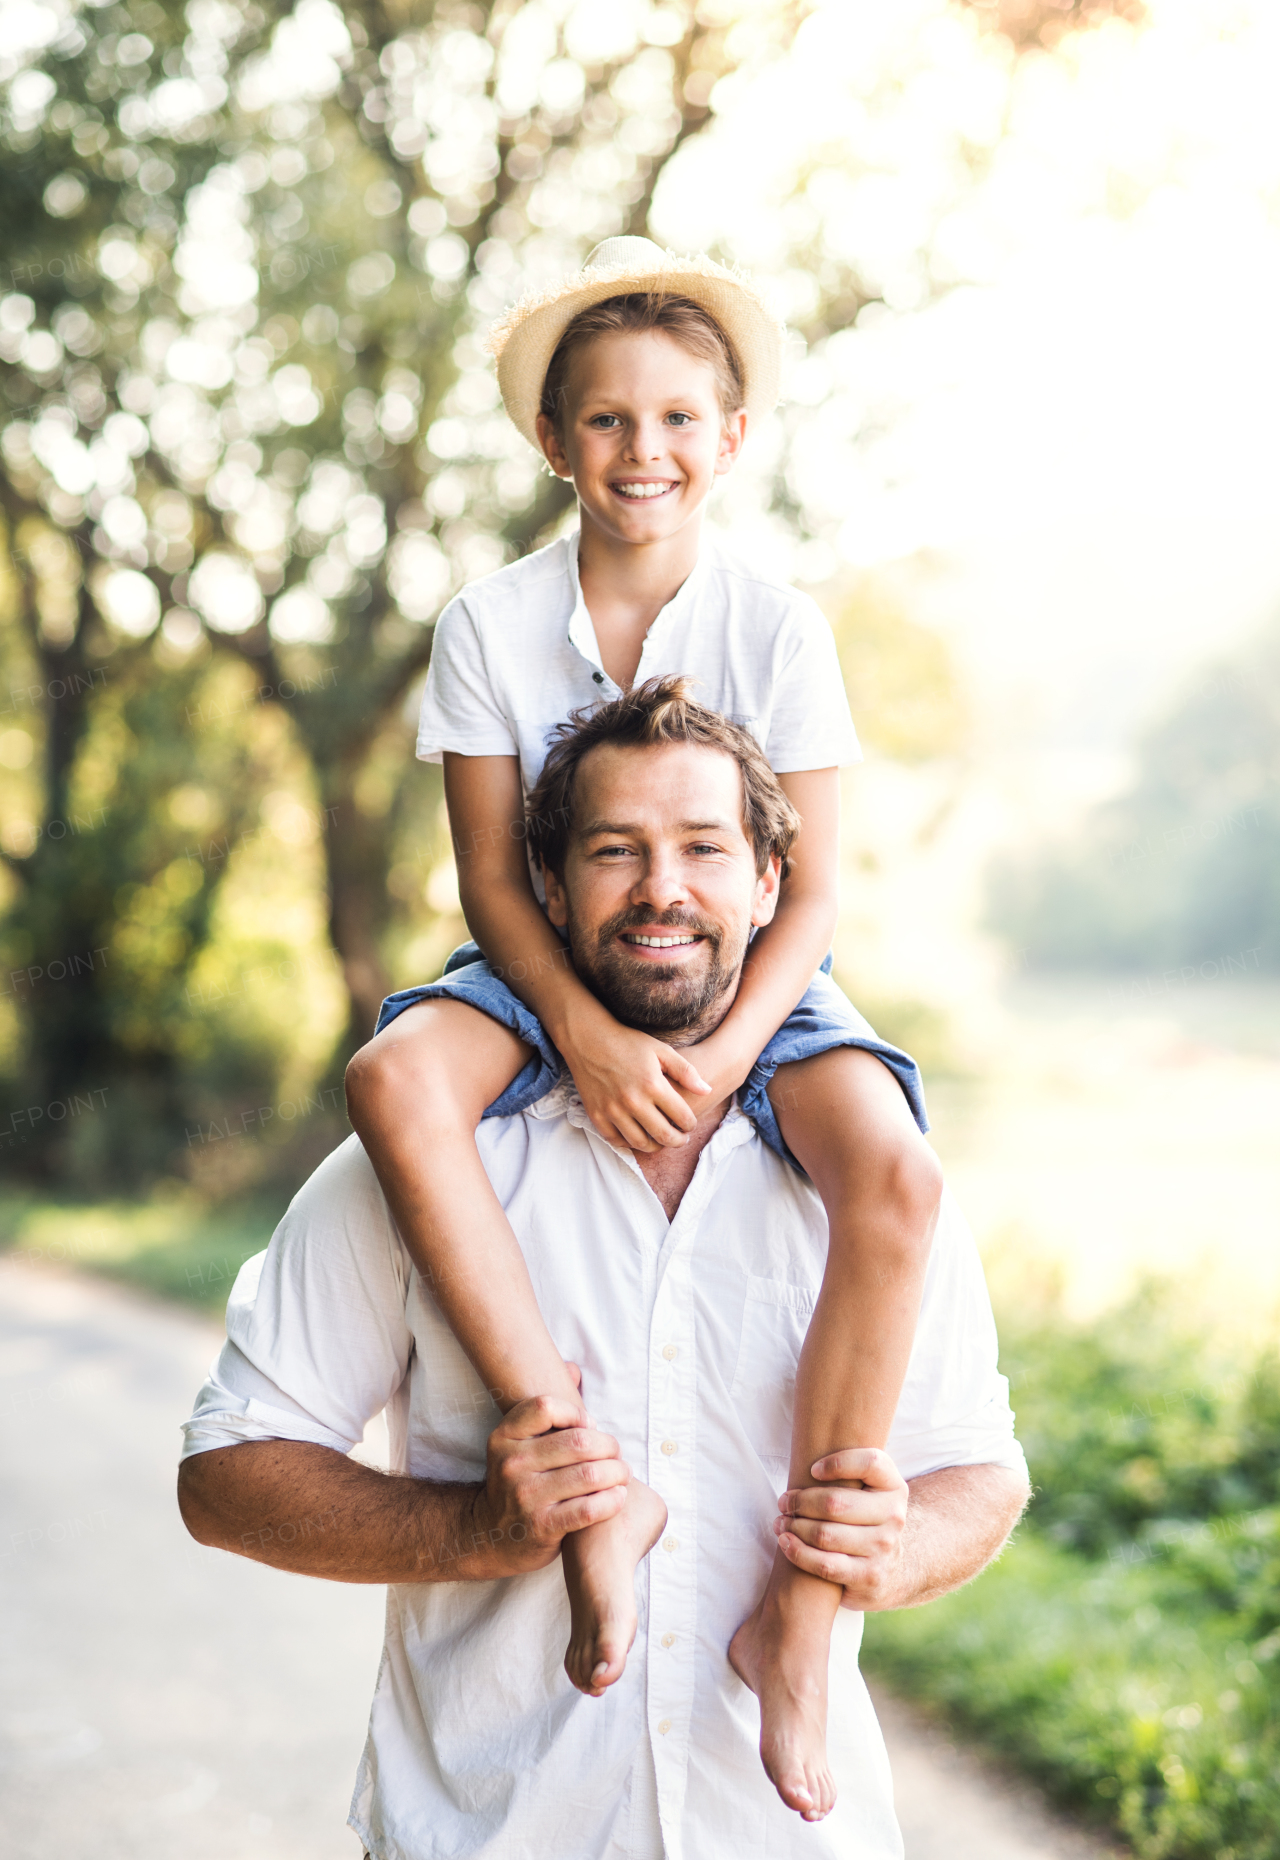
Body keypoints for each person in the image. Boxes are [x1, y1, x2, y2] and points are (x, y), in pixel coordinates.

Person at [179, 682, 1030, 1859]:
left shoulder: (863, 1170)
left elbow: (977, 1473)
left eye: (702, 849)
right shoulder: (422, 1167)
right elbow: (225, 1477)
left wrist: (886, 1550)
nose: (661, 890)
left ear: (770, 884)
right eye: (613, 851)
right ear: (546, 888)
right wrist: (477, 1529)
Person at [344, 237, 945, 1819]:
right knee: (396, 1077)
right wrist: (587, 1041)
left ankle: (801, 1620)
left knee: (896, 1178)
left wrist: (731, 1054)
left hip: (751, 981)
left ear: (728, 439)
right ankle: (585, 1482)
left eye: (679, 418)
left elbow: (808, 897)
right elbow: (490, 879)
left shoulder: (777, 623)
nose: (643, 451)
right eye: (606, 421)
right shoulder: (490, 620)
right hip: (548, 961)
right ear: (556, 442)